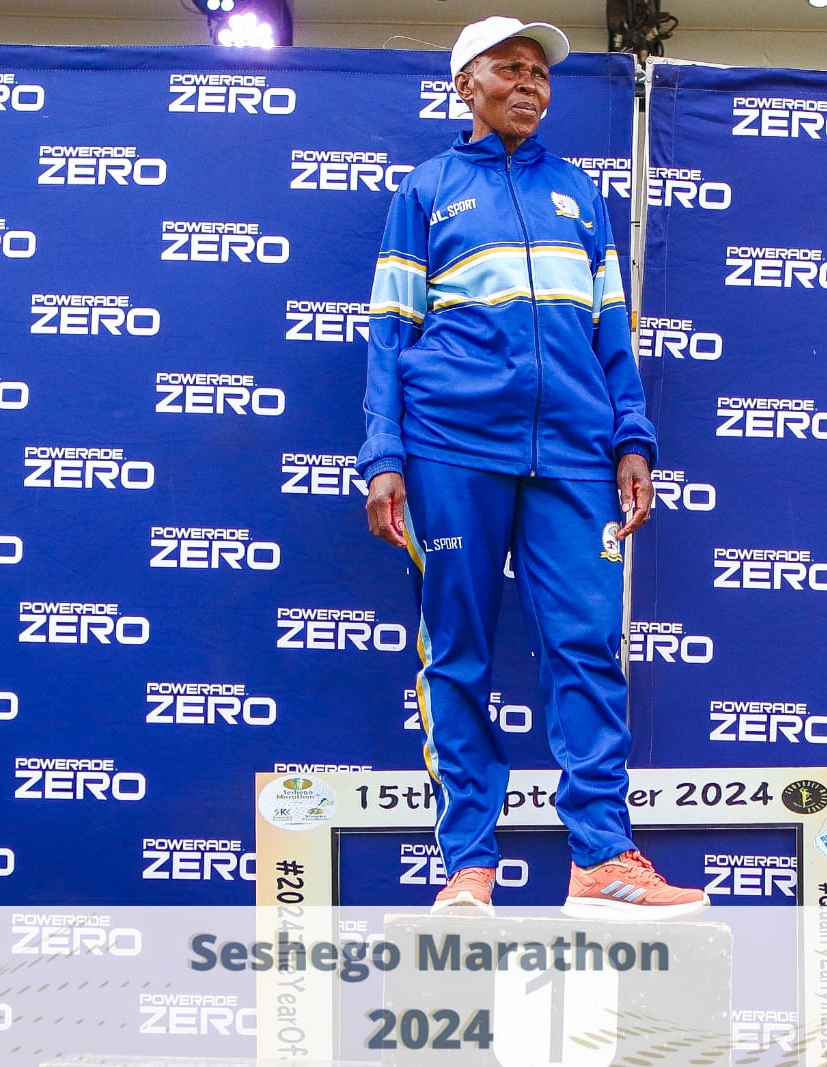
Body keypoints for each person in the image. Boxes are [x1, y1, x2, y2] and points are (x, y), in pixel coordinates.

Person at [356, 15, 707, 919]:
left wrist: (633, 438)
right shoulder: (425, 191)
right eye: (509, 68)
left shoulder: (578, 193)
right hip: (449, 447)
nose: (530, 84)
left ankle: (602, 857)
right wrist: (383, 451)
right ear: (464, 84)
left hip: (577, 454)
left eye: (540, 73)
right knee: (456, 655)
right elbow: (389, 332)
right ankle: (468, 866)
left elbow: (612, 329)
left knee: (587, 647)